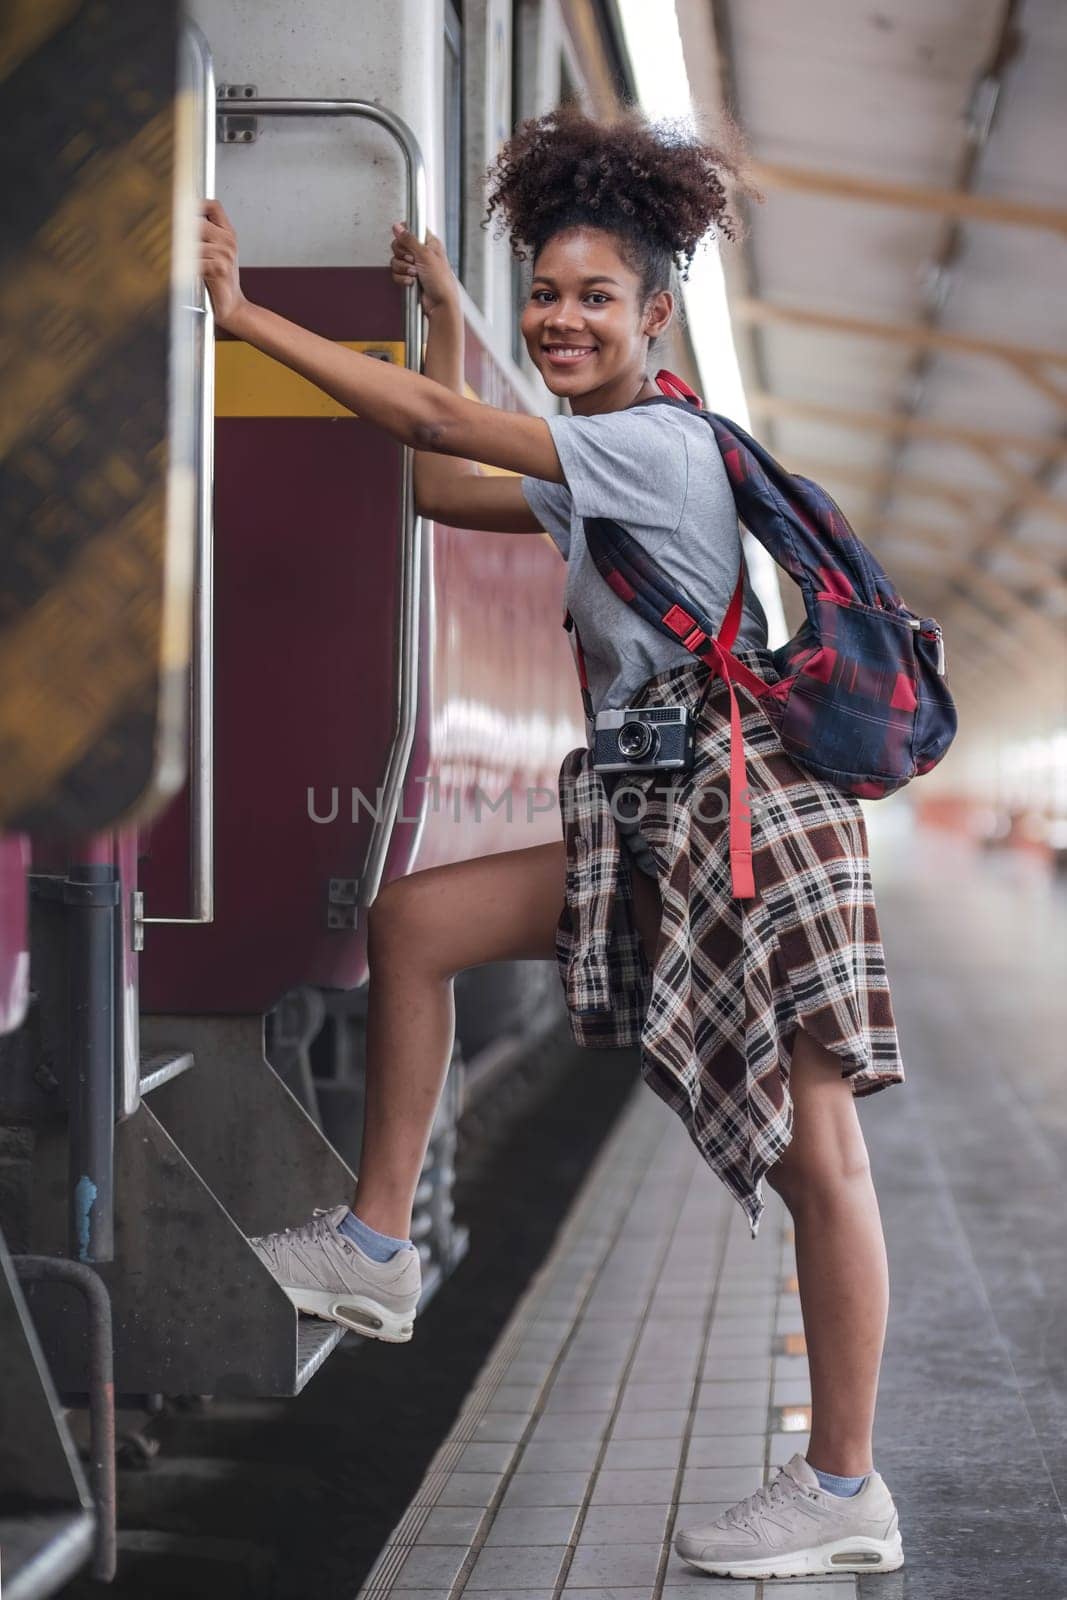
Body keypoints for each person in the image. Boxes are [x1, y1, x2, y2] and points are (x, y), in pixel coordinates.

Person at [199, 104, 904, 1579]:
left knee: (821, 1155)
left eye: (594, 296)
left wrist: (247, 316)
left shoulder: (653, 447)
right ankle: (379, 1253)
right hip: (667, 824)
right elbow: (442, 482)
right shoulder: (597, 460)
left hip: (750, 821)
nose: (563, 318)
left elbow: (444, 429)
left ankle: (845, 1486)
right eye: (545, 293)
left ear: (658, 317)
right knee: (420, 925)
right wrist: (456, 314)